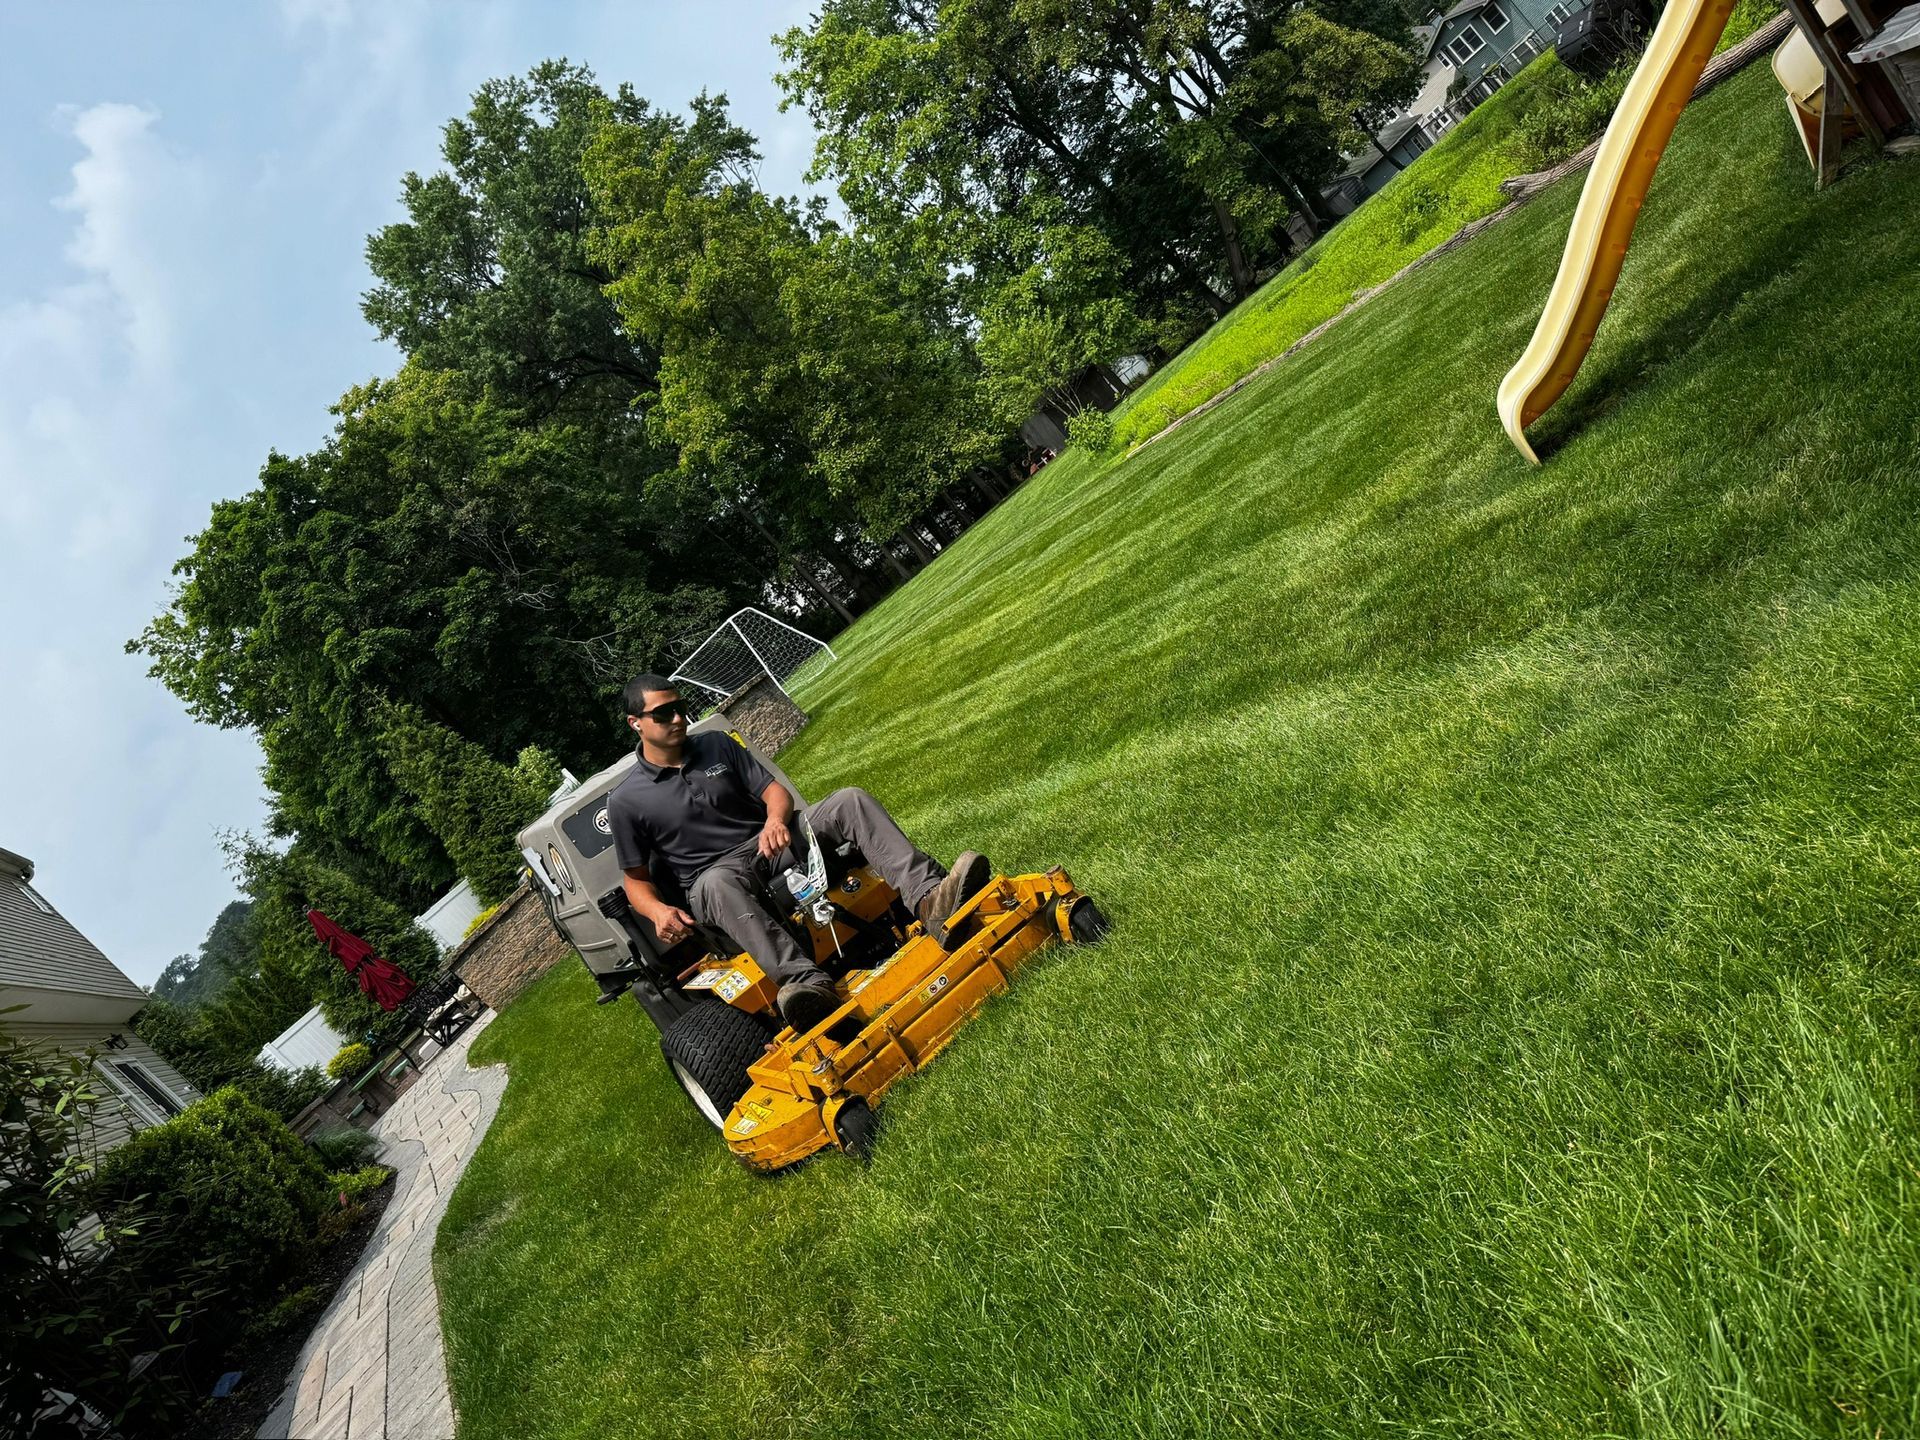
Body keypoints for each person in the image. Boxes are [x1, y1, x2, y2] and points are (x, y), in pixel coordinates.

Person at [606, 673, 992, 1034]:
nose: (677, 718)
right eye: (662, 713)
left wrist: (775, 820)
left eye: (680, 707)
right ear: (635, 723)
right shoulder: (626, 801)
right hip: (715, 877)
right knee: (719, 883)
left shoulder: (716, 744)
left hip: (770, 842)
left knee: (848, 800)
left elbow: (774, 792)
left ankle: (931, 901)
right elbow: (635, 879)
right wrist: (658, 911)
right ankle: (807, 985)